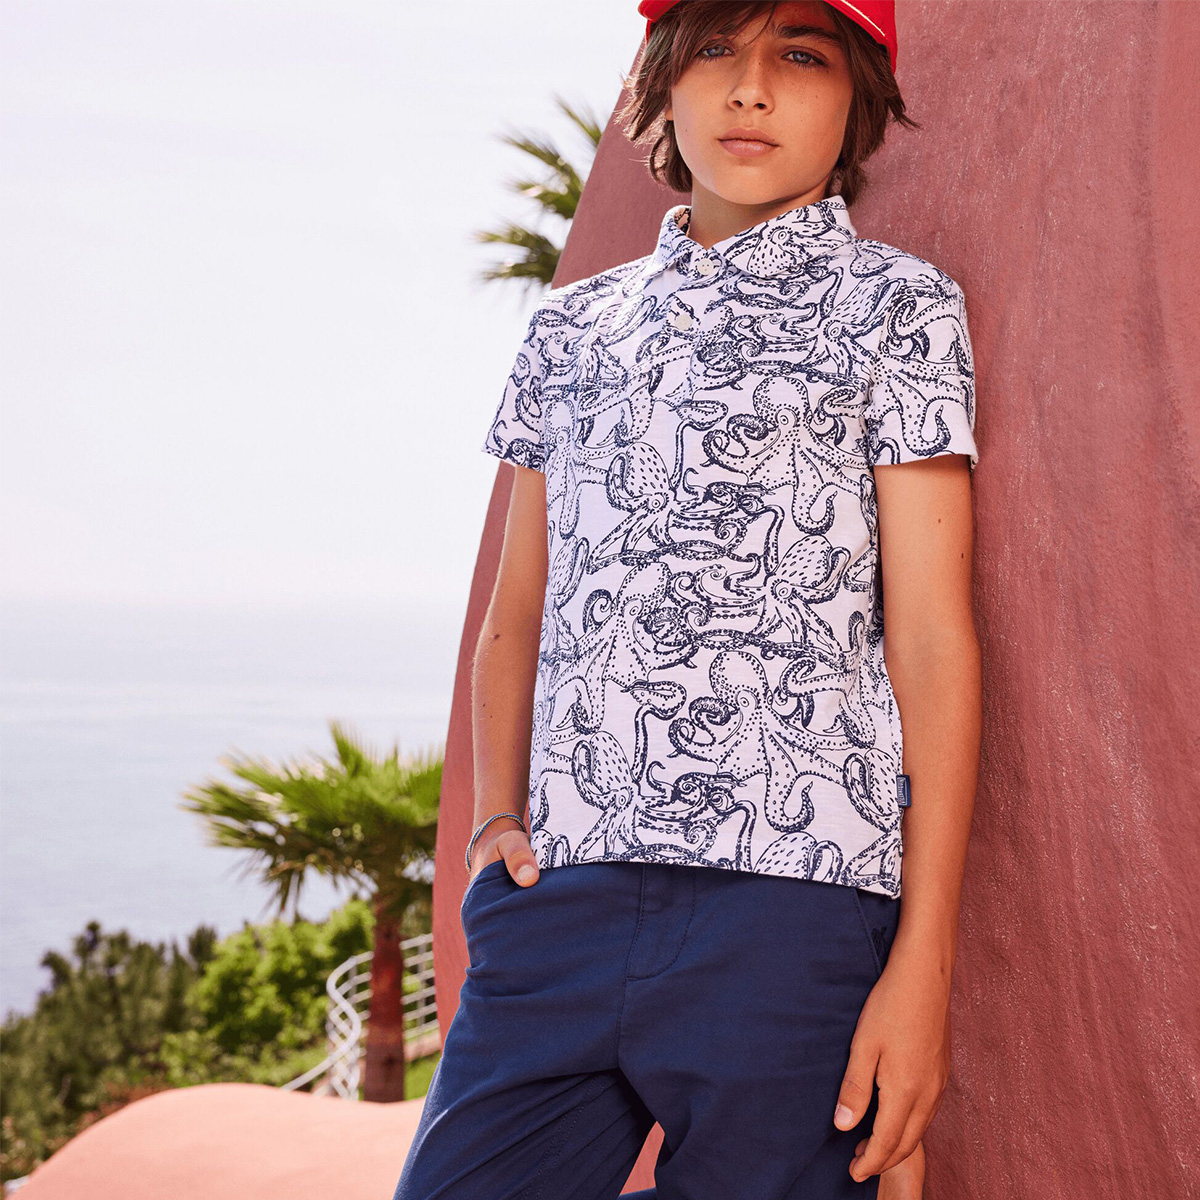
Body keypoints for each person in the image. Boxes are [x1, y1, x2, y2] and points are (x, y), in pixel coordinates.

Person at [392, 2, 981, 1197]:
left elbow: (931, 640)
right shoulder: (571, 327)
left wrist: (922, 964)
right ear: (662, 85)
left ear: (859, 102)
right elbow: (516, 612)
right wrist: (495, 827)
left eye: (800, 56)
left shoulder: (900, 308)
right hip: (559, 901)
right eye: (715, 49)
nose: (749, 88)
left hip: (792, 912)